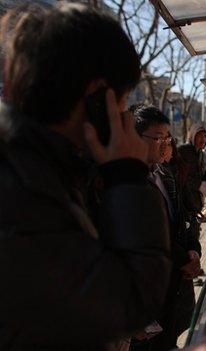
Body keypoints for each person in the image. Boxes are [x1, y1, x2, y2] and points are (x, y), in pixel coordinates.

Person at [0, 3, 171, 350]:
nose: (124, 117)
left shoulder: (38, 165)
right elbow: (127, 304)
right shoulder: (22, 191)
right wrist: (127, 176)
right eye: (122, 102)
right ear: (96, 97)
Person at [132, 106, 201, 351]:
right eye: (158, 137)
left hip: (172, 289)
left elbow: (181, 221)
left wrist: (193, 251)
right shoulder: (129, 183)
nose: (164, 144)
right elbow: (145, 237)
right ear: (134, 138)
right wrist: (183, 258)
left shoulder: (165, 175)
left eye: (167, 138)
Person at [177, 124, 206, 248]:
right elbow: (178, 174)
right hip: (184, 202)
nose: (203, 139)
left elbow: (204, 171)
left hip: (196, 202)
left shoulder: (201, 153)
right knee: (186, 237)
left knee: (194, 236)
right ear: (192, 136)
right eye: (199, 136)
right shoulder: (183, 151)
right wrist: (198, 184)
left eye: (205, 137)